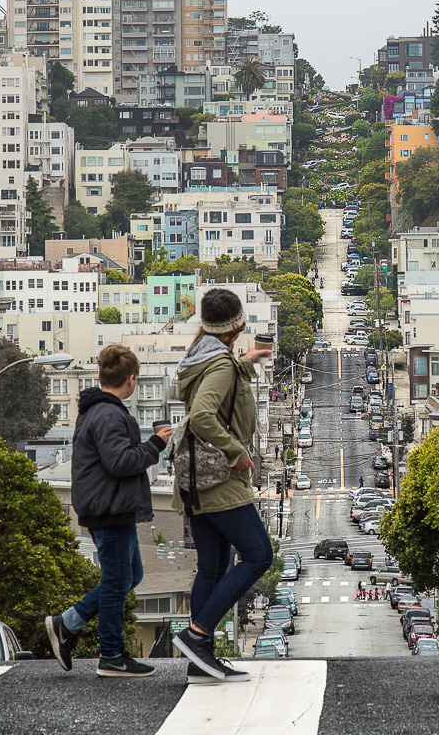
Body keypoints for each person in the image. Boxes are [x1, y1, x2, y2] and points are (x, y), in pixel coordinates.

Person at [44, 345, 172, 677]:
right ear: (131, 381)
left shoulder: (96, 410)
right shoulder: (111, 415)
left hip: (109, 505)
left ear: (100, 376)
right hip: (109, 507)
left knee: (130, 576)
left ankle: (67, 624)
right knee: (117, 579)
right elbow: (120, 462)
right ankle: (111, 654)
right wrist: (156, 443)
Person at [170, 288, 276, 684]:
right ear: (237, 324)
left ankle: (201, 661)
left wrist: (247, 361)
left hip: (195, 479)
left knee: (212, 569)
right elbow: (202, 415)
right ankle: (198, 636)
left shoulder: (202, 353)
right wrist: (236, 451)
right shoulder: (217, 362)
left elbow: (219, 379)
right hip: (218, 478)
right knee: (258, 554)